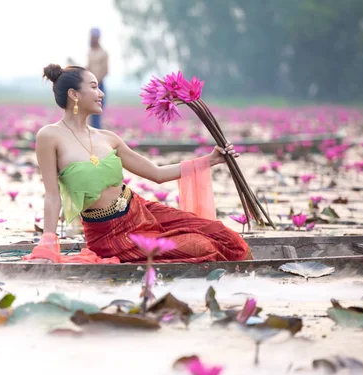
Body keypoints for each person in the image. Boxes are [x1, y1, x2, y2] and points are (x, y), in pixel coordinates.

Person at [25, 64, 252, 264]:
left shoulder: (108, 137)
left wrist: (211, 160)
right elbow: (52, 195)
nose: (101, 93)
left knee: (224, 236)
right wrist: (48, 241)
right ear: (74, 94)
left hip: (141, 210)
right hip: (110, 235)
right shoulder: (50, 136)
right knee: (203, 247)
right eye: (94, 87)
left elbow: (157, 173)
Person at [87, 27, 108, 129]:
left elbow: (105, 70)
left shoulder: (103, 53)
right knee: (89, 112)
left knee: (97, 111)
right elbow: (89, 67)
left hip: (99, 85)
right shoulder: (90, 52)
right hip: (90, 85)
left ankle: (96, 134)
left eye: (94, 37)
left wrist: (96, 82)